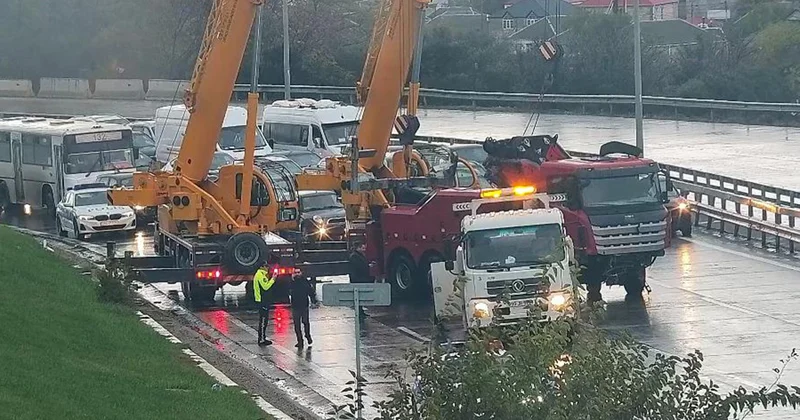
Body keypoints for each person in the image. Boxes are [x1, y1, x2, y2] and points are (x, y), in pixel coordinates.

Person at [289, 269, 318, 348]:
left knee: (305, 322)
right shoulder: (292, 282)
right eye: (295, 273)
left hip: (304, 305)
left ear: (301, 273)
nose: (297, 274)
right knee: (297, 325)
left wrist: (314, 301)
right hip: (295, 306)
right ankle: (300, 341)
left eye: (298, 272)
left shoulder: (305, 281)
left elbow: (310, 291)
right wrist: (292, 279)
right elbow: (288, 290)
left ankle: (308, 336)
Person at [253, 258, 278, 346]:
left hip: (264, 300)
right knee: (263, 320)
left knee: (264, 320)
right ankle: (261, 339)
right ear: (262, 267)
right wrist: (273, 279)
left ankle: (263, 337)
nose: (267, 268)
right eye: (266, 266)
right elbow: (265, 287)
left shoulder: (262, 274)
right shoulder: (260, 275)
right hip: (262, 301)